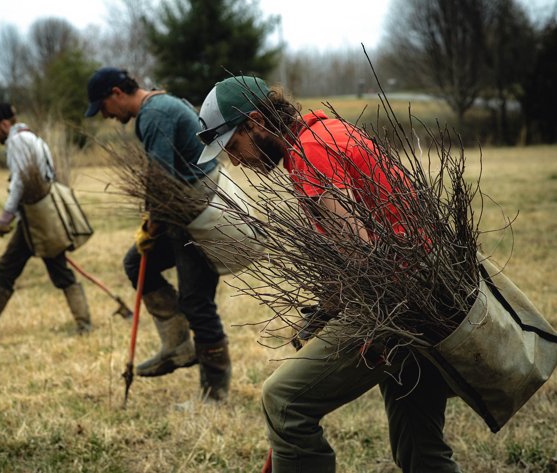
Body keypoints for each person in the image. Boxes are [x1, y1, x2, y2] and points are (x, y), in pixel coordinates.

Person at [196, 77, 461, 472]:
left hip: (398, 306)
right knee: (420, 446)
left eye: (233, 146)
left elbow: (364, 256)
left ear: (256, 122)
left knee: (283, 399)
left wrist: (371, 328)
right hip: (430, 294)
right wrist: (328, 307)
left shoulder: (310, 155)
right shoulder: (329, 131)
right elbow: (366, 234)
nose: (236, 161)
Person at [84, 67, 231, 401]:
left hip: (197, 213)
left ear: (116, 94)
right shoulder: (160, 105)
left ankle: (215, 393)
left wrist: (152, 226)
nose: (106, 116)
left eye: (103, 107)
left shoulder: (154, 114)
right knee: (138, 264)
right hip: (184, 210)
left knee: (197, 301)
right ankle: (177, 346)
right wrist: (151, 225)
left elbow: (161, 181)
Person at [0, 103, 91, 336]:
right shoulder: (31, 138)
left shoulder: (17, 142)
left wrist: (5, 216)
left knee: (22, 268)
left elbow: (20, 182)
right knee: (26, 268)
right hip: (38, 216)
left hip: (38, 218)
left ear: (4, 124)